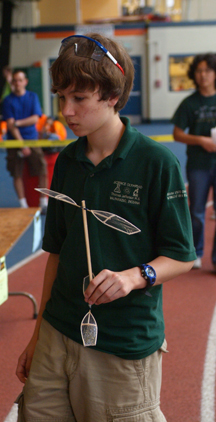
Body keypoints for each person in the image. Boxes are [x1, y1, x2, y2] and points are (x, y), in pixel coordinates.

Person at [16, 33, 196, 422]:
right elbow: (57, 254)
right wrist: (37, 337)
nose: (67, 111)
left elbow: (182, 256)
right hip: (57, 332)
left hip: (122, 343)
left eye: (79, 99)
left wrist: (136, 276)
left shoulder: (156, 163)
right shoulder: (66, 161)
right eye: (61, 97)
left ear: (112, 95)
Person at [172, 53, 216, 270]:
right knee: (196, 211)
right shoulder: (189, 103)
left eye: (207, 70)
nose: (203, 75)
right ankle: (196, 252)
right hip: (198, 165)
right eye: (199, 71)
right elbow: (177, 134)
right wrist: (200, 140)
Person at [2, 70, 48, 210]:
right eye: (14, 80)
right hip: (14, 141)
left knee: (42, 169)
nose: (17, 83)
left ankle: (43, 202)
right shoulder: (7, 101)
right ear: (12, 83)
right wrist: (22, 145)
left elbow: (35, 118)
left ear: (25, 82)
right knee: (17, 173)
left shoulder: (32, 97)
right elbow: (10, 125)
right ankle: (23, 205)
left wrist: (18, 123)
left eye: (20, 80)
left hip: (32, 140)